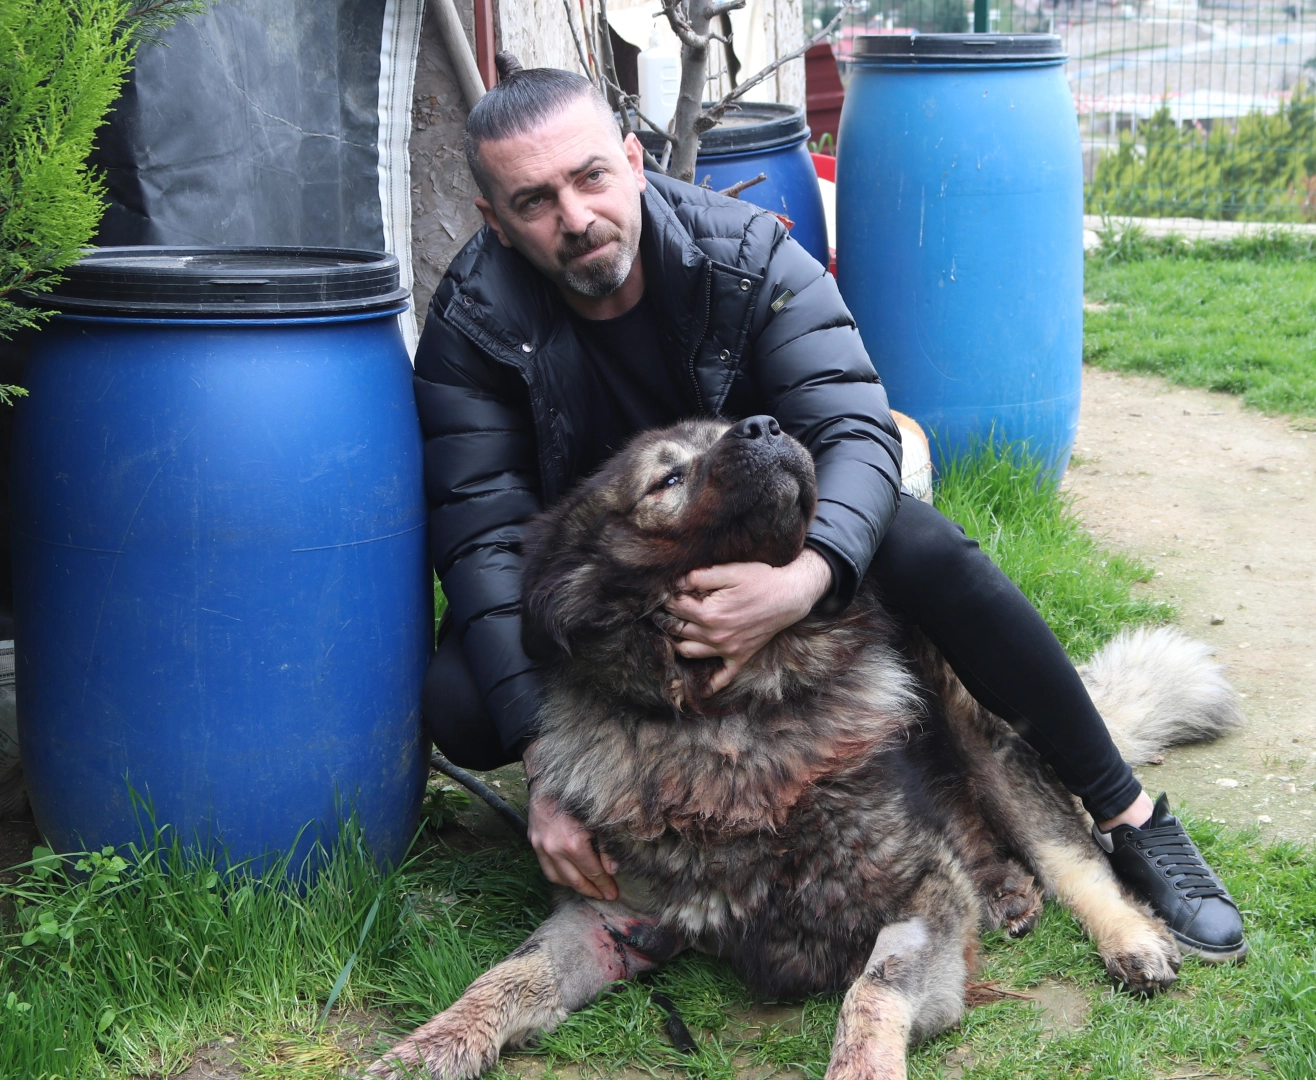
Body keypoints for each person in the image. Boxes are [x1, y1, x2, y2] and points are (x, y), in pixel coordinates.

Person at [414, 56, 1246, 962]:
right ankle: (664, 815)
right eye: (535, 202)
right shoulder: (475, 327)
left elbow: (855, 431)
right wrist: (545, 763)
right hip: (626, 598)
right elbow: (484, 540)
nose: (575, 219)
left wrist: (805, 582)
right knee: (461, 698)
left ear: (632, 157)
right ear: (493, 219)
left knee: (928, 554)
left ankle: (1126, 813)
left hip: (780, 549)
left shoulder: (746, 255)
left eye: (590, 177)